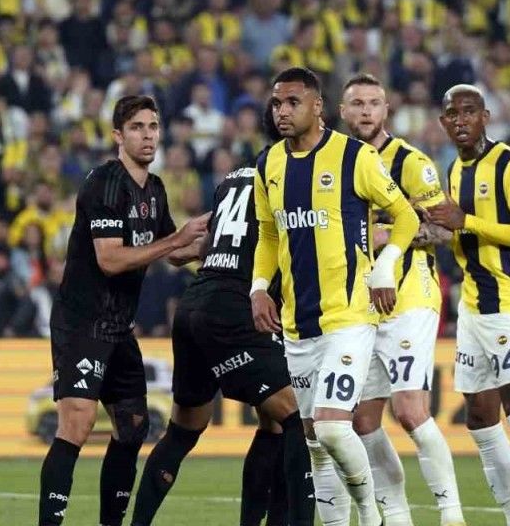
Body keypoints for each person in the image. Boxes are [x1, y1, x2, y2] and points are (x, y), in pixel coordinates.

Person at [250, 67, 421, 526]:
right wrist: (259, 287)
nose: (282, 111)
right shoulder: (268, 164)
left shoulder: (355, 157)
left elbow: (406, 217)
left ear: (317, 106)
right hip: (297, 325)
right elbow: (268, 233)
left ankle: (370, 514)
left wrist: (385, 267)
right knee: (314, 442)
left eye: (293, 102)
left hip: (349, 318)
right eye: (277, 103)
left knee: (330, 426)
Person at [130, 104, 313, 526]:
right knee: (299, 419)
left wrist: (183, 250)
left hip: (196, 303)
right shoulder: (288, 175)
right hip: (236, 306)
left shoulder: (234, 177)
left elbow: (218, 242)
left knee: (188, 430)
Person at [36, 94, 210, 526]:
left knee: (133, 428)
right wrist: (178, 239)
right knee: (76, 424)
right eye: (137, 127)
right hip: (82, 322)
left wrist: (221, 243)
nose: (148, 136)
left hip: (119, 327)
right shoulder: (105, 183)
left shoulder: (155, 189)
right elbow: (110, 259)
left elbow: (173, 252)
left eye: (153, 127)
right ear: (118, 135)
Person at [423, 85, 510, 526]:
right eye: (453, 114)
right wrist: (435, 231)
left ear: (485, 117)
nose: (461, 120)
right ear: (444, 123)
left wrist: (465, 221)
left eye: (470, 112)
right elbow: (465, 238)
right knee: (481, 419)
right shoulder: (453, 170)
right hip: (473, 307)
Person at [339, 73, 466, 526]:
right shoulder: (336, 163)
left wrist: (386, 234)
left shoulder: (412, 162)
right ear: (342, 111)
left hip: (411, 296)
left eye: (374, 102)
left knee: (410, 410)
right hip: (360, 305)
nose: (366, 111)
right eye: (357, 103)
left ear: (386, 109)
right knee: (362, 421)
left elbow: (446, 232)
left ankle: (452, 514)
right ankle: (397, 516)